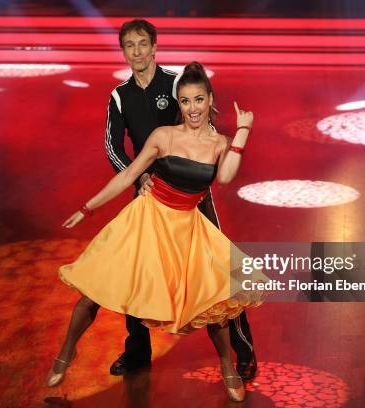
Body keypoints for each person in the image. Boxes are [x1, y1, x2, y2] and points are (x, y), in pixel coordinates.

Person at [45, 61, 262, 402]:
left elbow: (225, 178)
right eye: (186, 101)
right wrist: (87, 207)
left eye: (198, 100)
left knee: (215, 303)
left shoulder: (219, 142)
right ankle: (66, 353)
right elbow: (128, 175)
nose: (193, 108)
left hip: (187, 227)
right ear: (179, 103)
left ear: (209, 100)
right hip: (146, 220)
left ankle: (227, 366)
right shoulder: (164, 136)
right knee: (94, 291)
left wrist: (244, 131)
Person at [104, 18, 257, 381]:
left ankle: (243, 350)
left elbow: (203, 121)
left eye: (143, 44)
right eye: (130, 45)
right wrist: (139, 176)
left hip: (192, 195)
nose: (137, 51)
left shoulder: (176, 83)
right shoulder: (119, 95)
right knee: (135, 273)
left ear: (155, 46)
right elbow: (112, 145)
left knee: (220, 274)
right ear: (123, 50)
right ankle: (138, 352)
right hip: (149, 194)